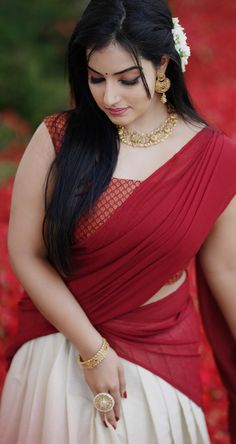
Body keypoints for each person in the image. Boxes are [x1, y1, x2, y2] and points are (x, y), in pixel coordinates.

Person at [0, 0, 236, 443]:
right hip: (58, 353)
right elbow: (25, 254)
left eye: (127, 79)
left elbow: (227, 269)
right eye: (96, 78)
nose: (109, 96)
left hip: (160, 362)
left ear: (162, 64)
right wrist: (92, 352)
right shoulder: (59, 138)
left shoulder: (215, 159)